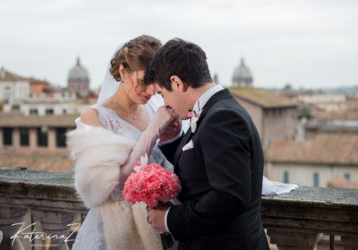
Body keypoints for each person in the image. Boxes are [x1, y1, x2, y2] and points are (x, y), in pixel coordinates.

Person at [144, 38, 271, 250]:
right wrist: (173, 140)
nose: (164, 103)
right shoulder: (216, 111)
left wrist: (169, 219)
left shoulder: (222, 118)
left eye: (162, 93)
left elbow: (228, 197)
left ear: (177, 82)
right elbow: (204, 169)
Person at [67, 35, 180, 250]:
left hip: (160, 225)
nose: (150, 91)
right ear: (122, 71)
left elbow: (169, 164)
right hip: (115, 231)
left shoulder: (152, 108)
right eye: (143, 81)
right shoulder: (94, 117)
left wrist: (173, 138)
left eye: (155, 83)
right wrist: (153, 131)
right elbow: (113, 187)